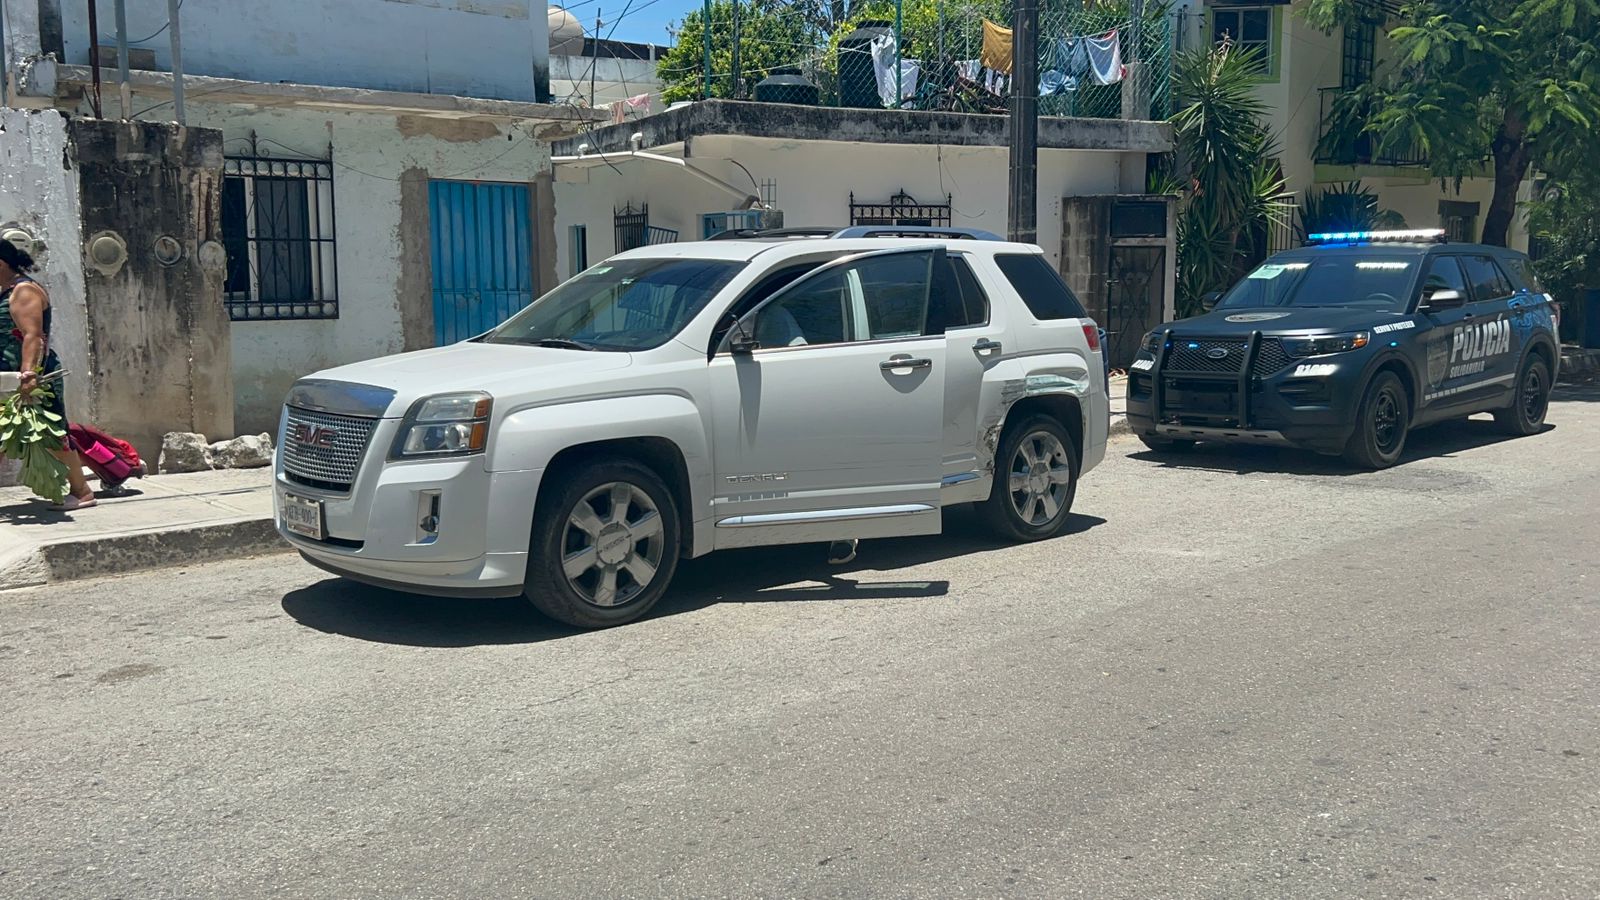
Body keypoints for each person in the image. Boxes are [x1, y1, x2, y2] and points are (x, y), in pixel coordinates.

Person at [0, 240, 96, 510]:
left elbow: (33, 336)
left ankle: (82, 492)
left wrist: (29, 374)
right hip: (7, 377)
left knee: (52, 434)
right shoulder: (7, 291)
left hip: (33, 378)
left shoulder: (23, 292)